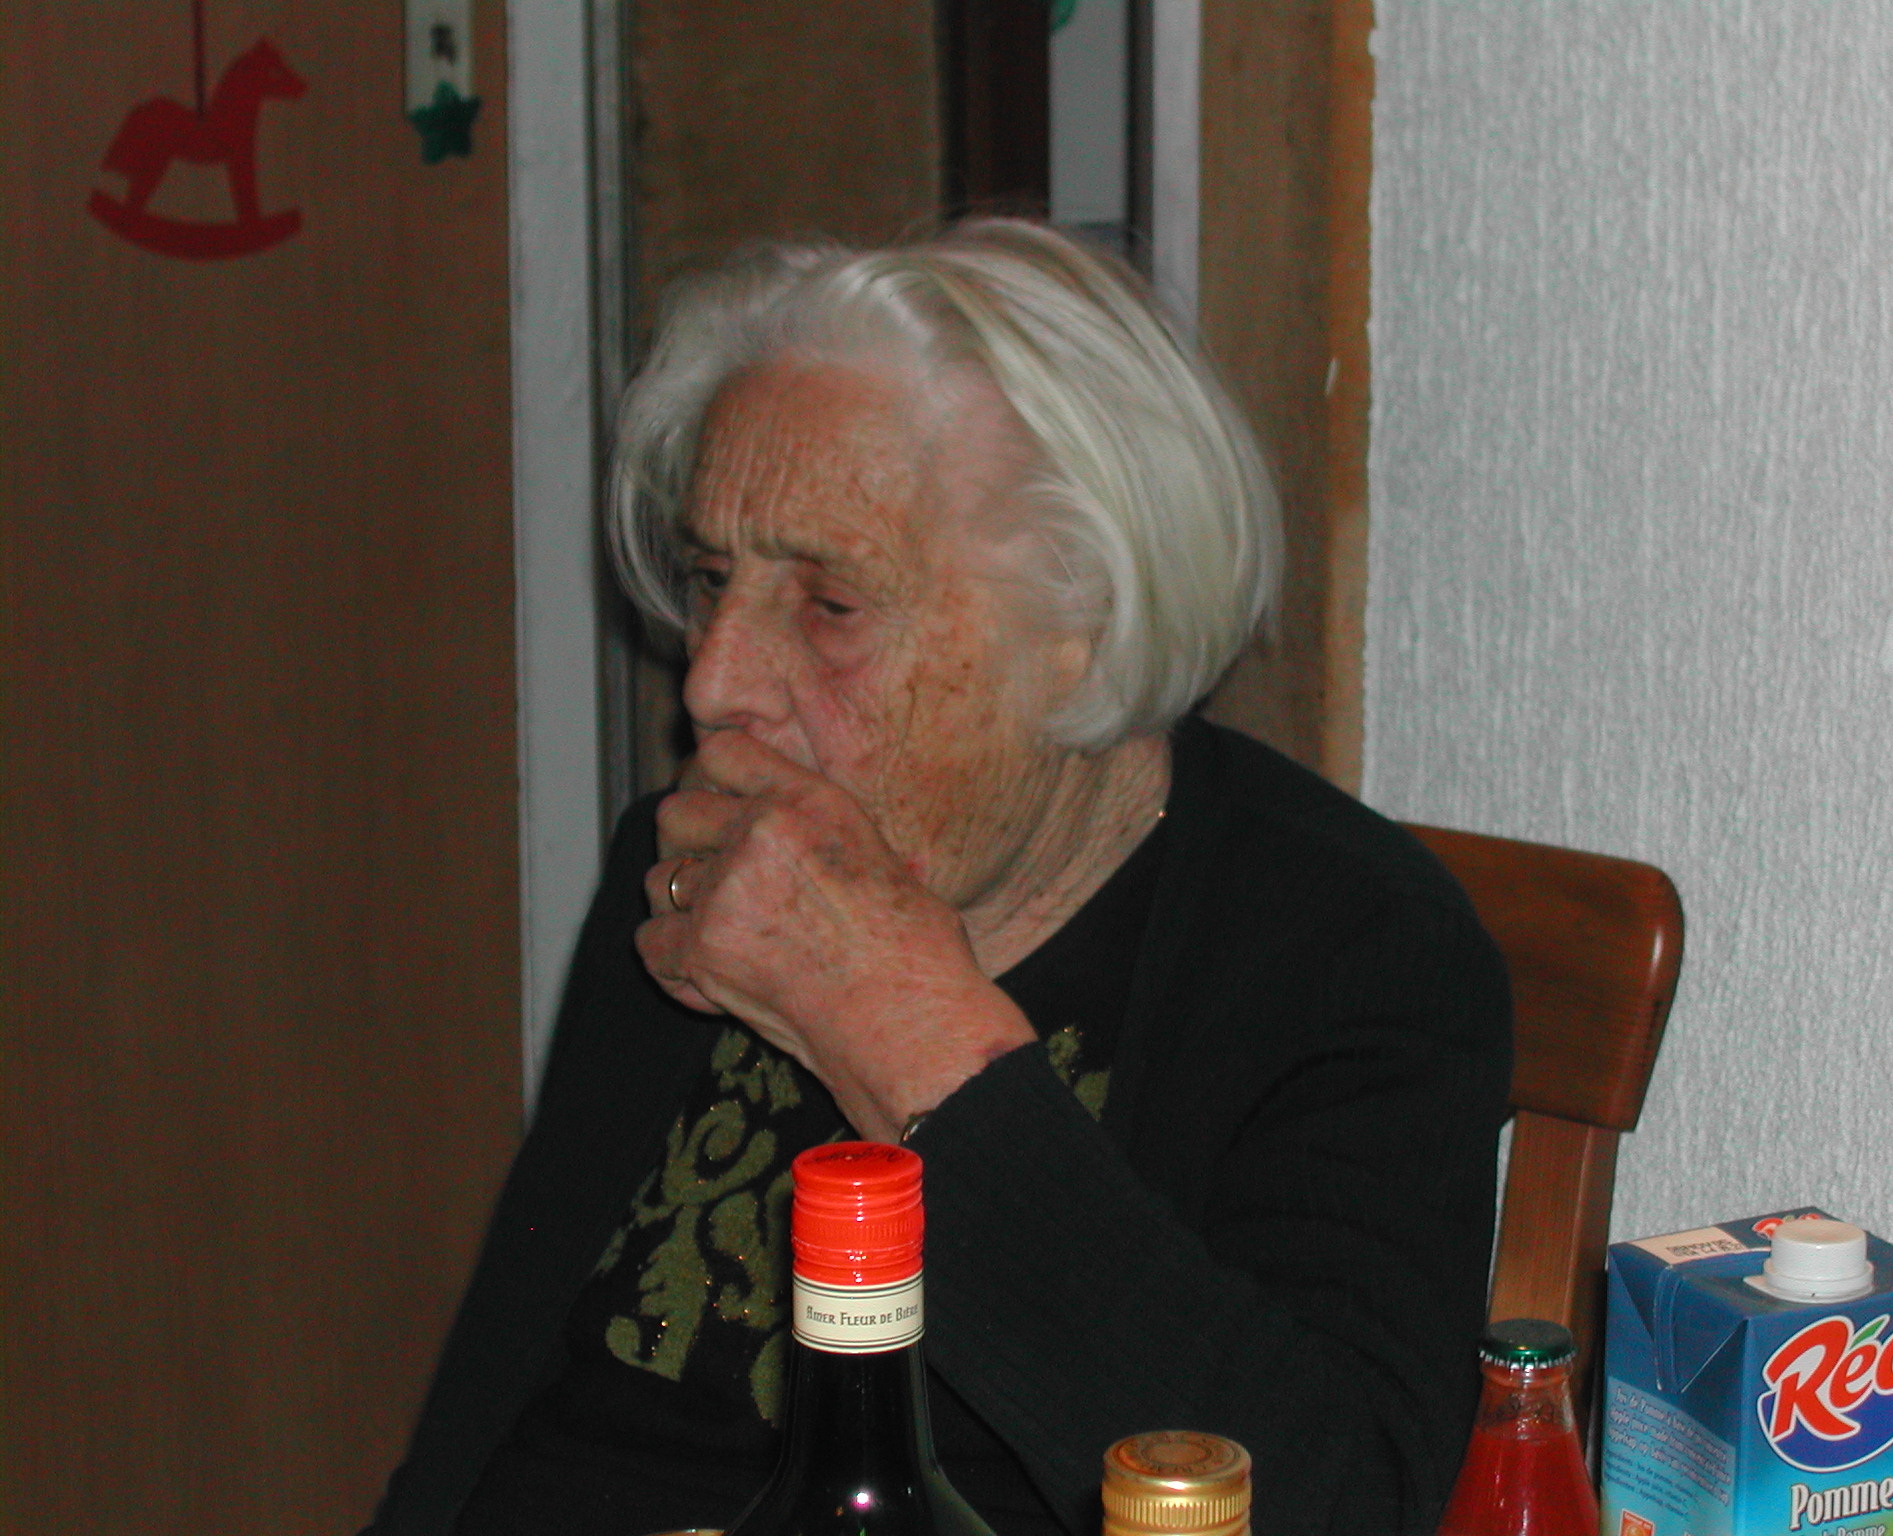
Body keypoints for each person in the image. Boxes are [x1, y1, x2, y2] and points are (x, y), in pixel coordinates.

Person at [364, 220, 1512, 1536]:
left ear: (1081, 625)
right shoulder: (692, 866)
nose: (714, 683)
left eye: (830, 606)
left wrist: (907, 1040)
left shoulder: (1345, 951)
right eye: (713, 580)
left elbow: (1328, 1505)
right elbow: (477, 1433)